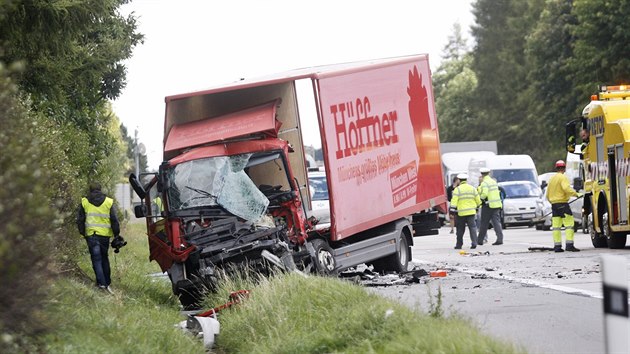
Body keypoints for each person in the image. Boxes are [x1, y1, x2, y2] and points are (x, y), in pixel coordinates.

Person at [76, 182, 121, 292]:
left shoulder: (85, 202)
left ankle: (101, 284)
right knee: (104, 258)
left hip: (91, 235)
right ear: (100, 189)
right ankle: (107, 283)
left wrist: (83, 233)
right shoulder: (108, 202)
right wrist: (117, 234)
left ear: (90, 190)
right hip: (104, 235)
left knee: (96, 259)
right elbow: (114, 220)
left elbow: (80, 220)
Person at [546, 160, 581, 252]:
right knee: (569, 224)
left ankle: (557, 247)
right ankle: (569, 245)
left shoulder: (552, 179)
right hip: (562, 204)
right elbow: (566, 188)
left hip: (554, 205)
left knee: (556, 226)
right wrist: (576, 194)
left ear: (556, 168)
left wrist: (553, 202)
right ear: (564, 168)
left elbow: (547, 194)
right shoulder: (563, 177)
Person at [450, 173, 481, 250]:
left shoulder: (457, 189)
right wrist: (477, 207)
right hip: (471, 212)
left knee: (460, 229)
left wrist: (452, 211)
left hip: (461, 213)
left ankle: (459, 245)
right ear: (466, 180)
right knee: (473, 228)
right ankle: (474, 243)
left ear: (459, 180)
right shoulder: (473, 188)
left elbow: (454, 201)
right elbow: (478, 201)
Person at [476, 167, 505, 245]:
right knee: (496, 223)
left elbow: (484, 194)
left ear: (481, 174)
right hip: (496, 205)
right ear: (488, 173)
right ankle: (500, 239)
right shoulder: (493, 181)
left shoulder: (484, 183)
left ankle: (480, 240)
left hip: (488, 205)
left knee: (484, 223)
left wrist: (480, 200)